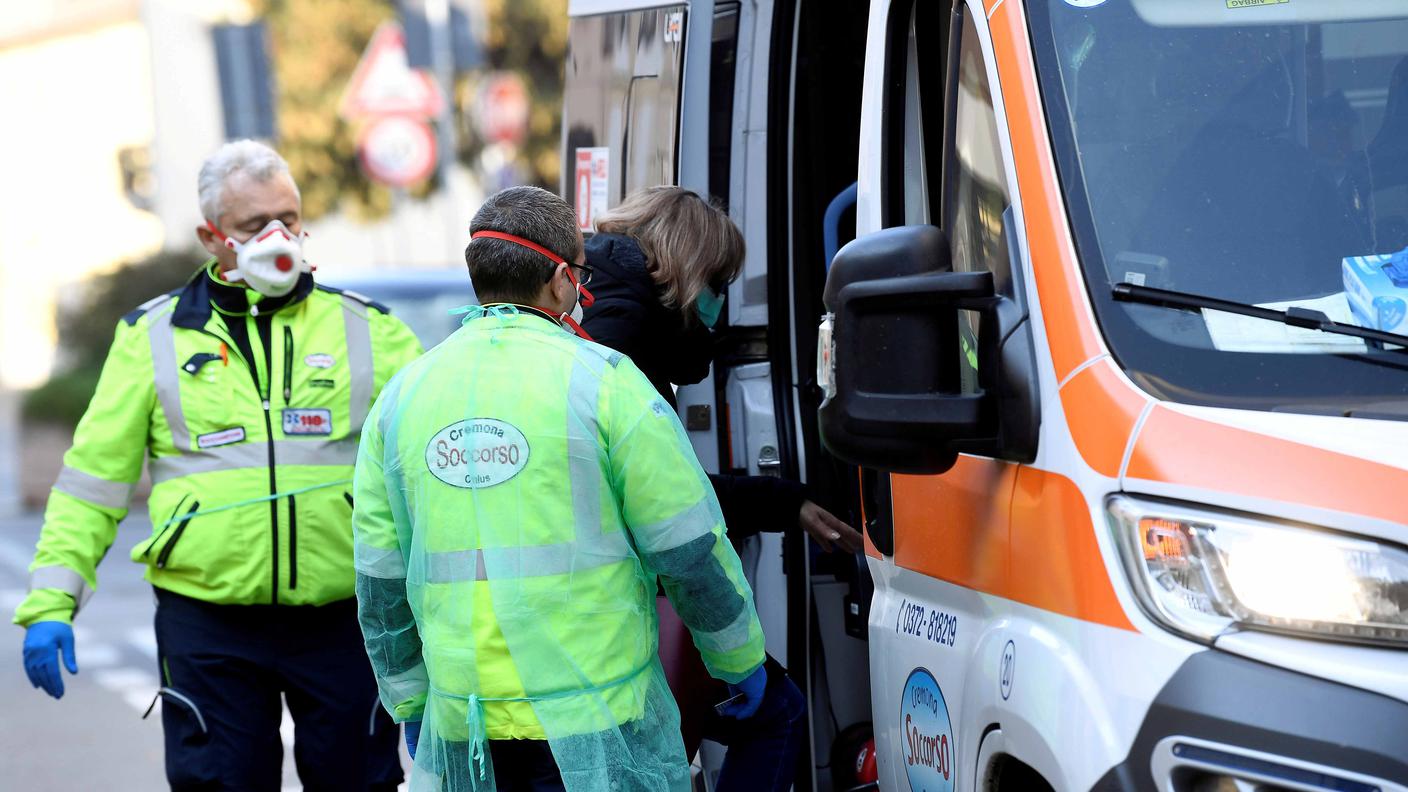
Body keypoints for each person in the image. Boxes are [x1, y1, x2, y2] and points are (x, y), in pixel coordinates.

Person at [15, 140, 423, 791]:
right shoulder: (151, 339)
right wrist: (52, 602)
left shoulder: (368, 331)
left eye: (288, 218)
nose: (277, 237)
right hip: (208, 624)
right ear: (213, 237)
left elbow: (427, 472)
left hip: (343, 618)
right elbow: (92, 485)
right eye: (253, 225)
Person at [352, 185, 768, 792]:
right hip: (593, 724)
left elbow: (380, 582)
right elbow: (688, 549)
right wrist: (739, 659)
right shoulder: (607, 383)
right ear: (558, 279)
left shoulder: (403, 398)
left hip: (464, 727)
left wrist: (410, 702)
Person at [580, 186, 863, 791]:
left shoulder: (595, 310)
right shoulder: (624, 341)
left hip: (570, 612)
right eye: (717, 284)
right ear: (685, 269)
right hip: (602, 614)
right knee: (777, 712)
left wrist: (786, 501)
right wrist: (783, 502)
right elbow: (665, 502)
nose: (718, 306)